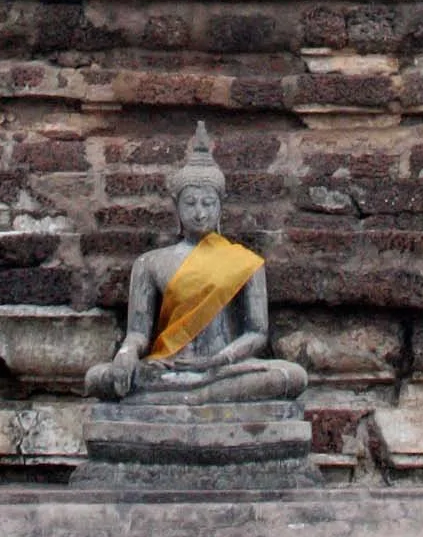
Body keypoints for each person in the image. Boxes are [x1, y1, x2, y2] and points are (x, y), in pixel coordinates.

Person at [84, 124, 306, 405]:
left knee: (291, 376)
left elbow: (257, 333)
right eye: (190, 203)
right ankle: (193, 395)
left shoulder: (245, 262)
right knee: (97, 377)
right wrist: (127, 353)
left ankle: (186, 396)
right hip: (168, 367)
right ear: (176, 205)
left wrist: (217, 361)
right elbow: (139, 333)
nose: (200, 213)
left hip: (221, 368)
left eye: (208, 203)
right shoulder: (150, 262)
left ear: (220, 205)